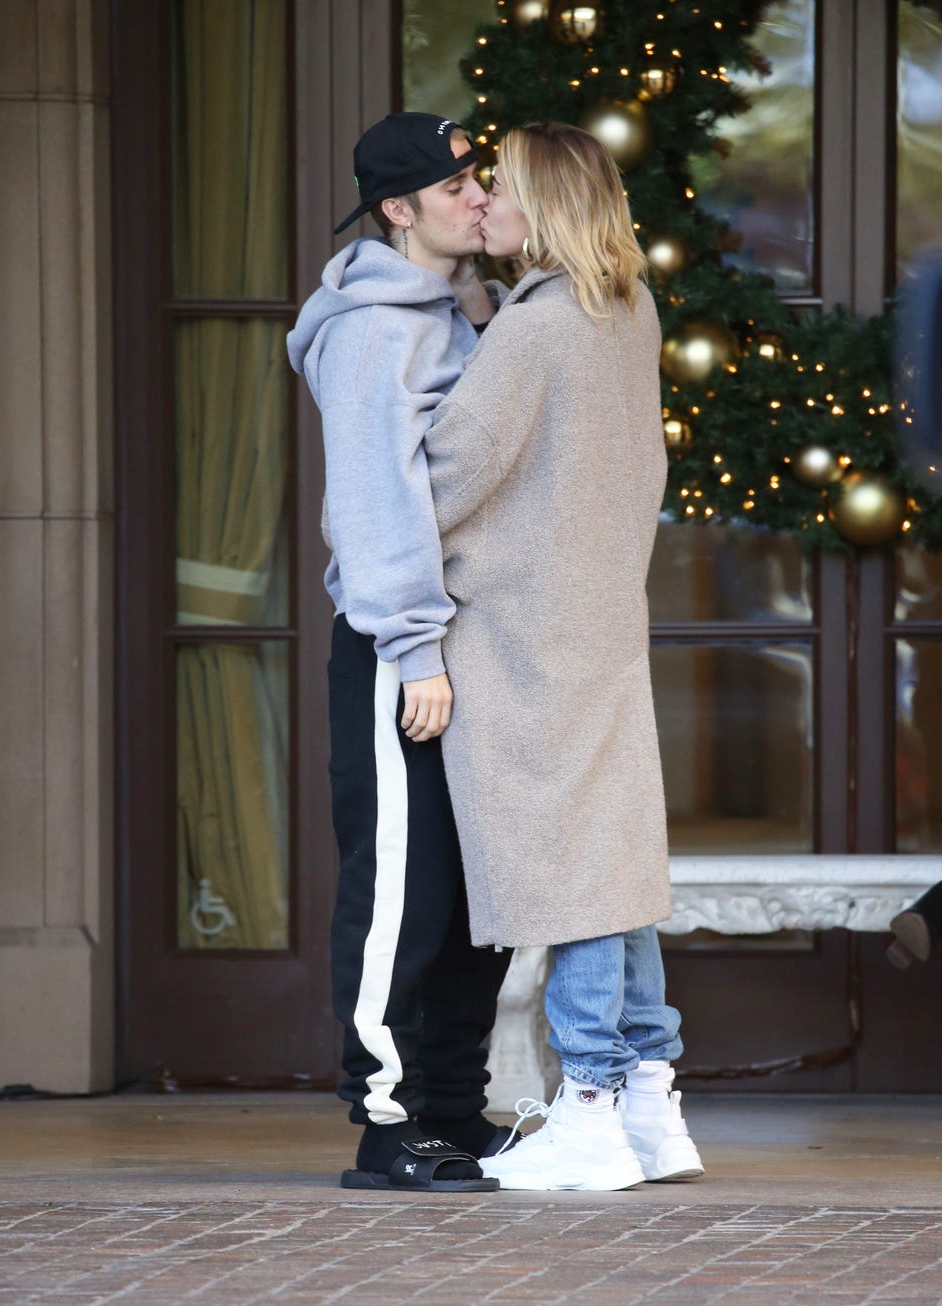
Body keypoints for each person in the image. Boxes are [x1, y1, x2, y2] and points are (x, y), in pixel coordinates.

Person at [423, 121, 704, 1191]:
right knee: (613, 863)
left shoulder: (535, 332)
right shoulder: (624, 309)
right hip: (594, 617)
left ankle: (588, 1102)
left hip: (522, 636)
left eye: (498, 185)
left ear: (540, 207)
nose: (482, 200)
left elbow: (450, 471)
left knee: (574, 876)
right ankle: (646, 1096)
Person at [286, 113, 514, 1192]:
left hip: (459, 649)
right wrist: (415, 649)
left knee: (472, 894)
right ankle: (385, 1127)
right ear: (398, 207)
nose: (478, 194)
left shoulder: (455, 308)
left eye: (479, 177)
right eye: (457, 181)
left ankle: (453, 1116)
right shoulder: (373, 329)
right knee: (399, 897)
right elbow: (375, 503)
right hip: (397, 653)